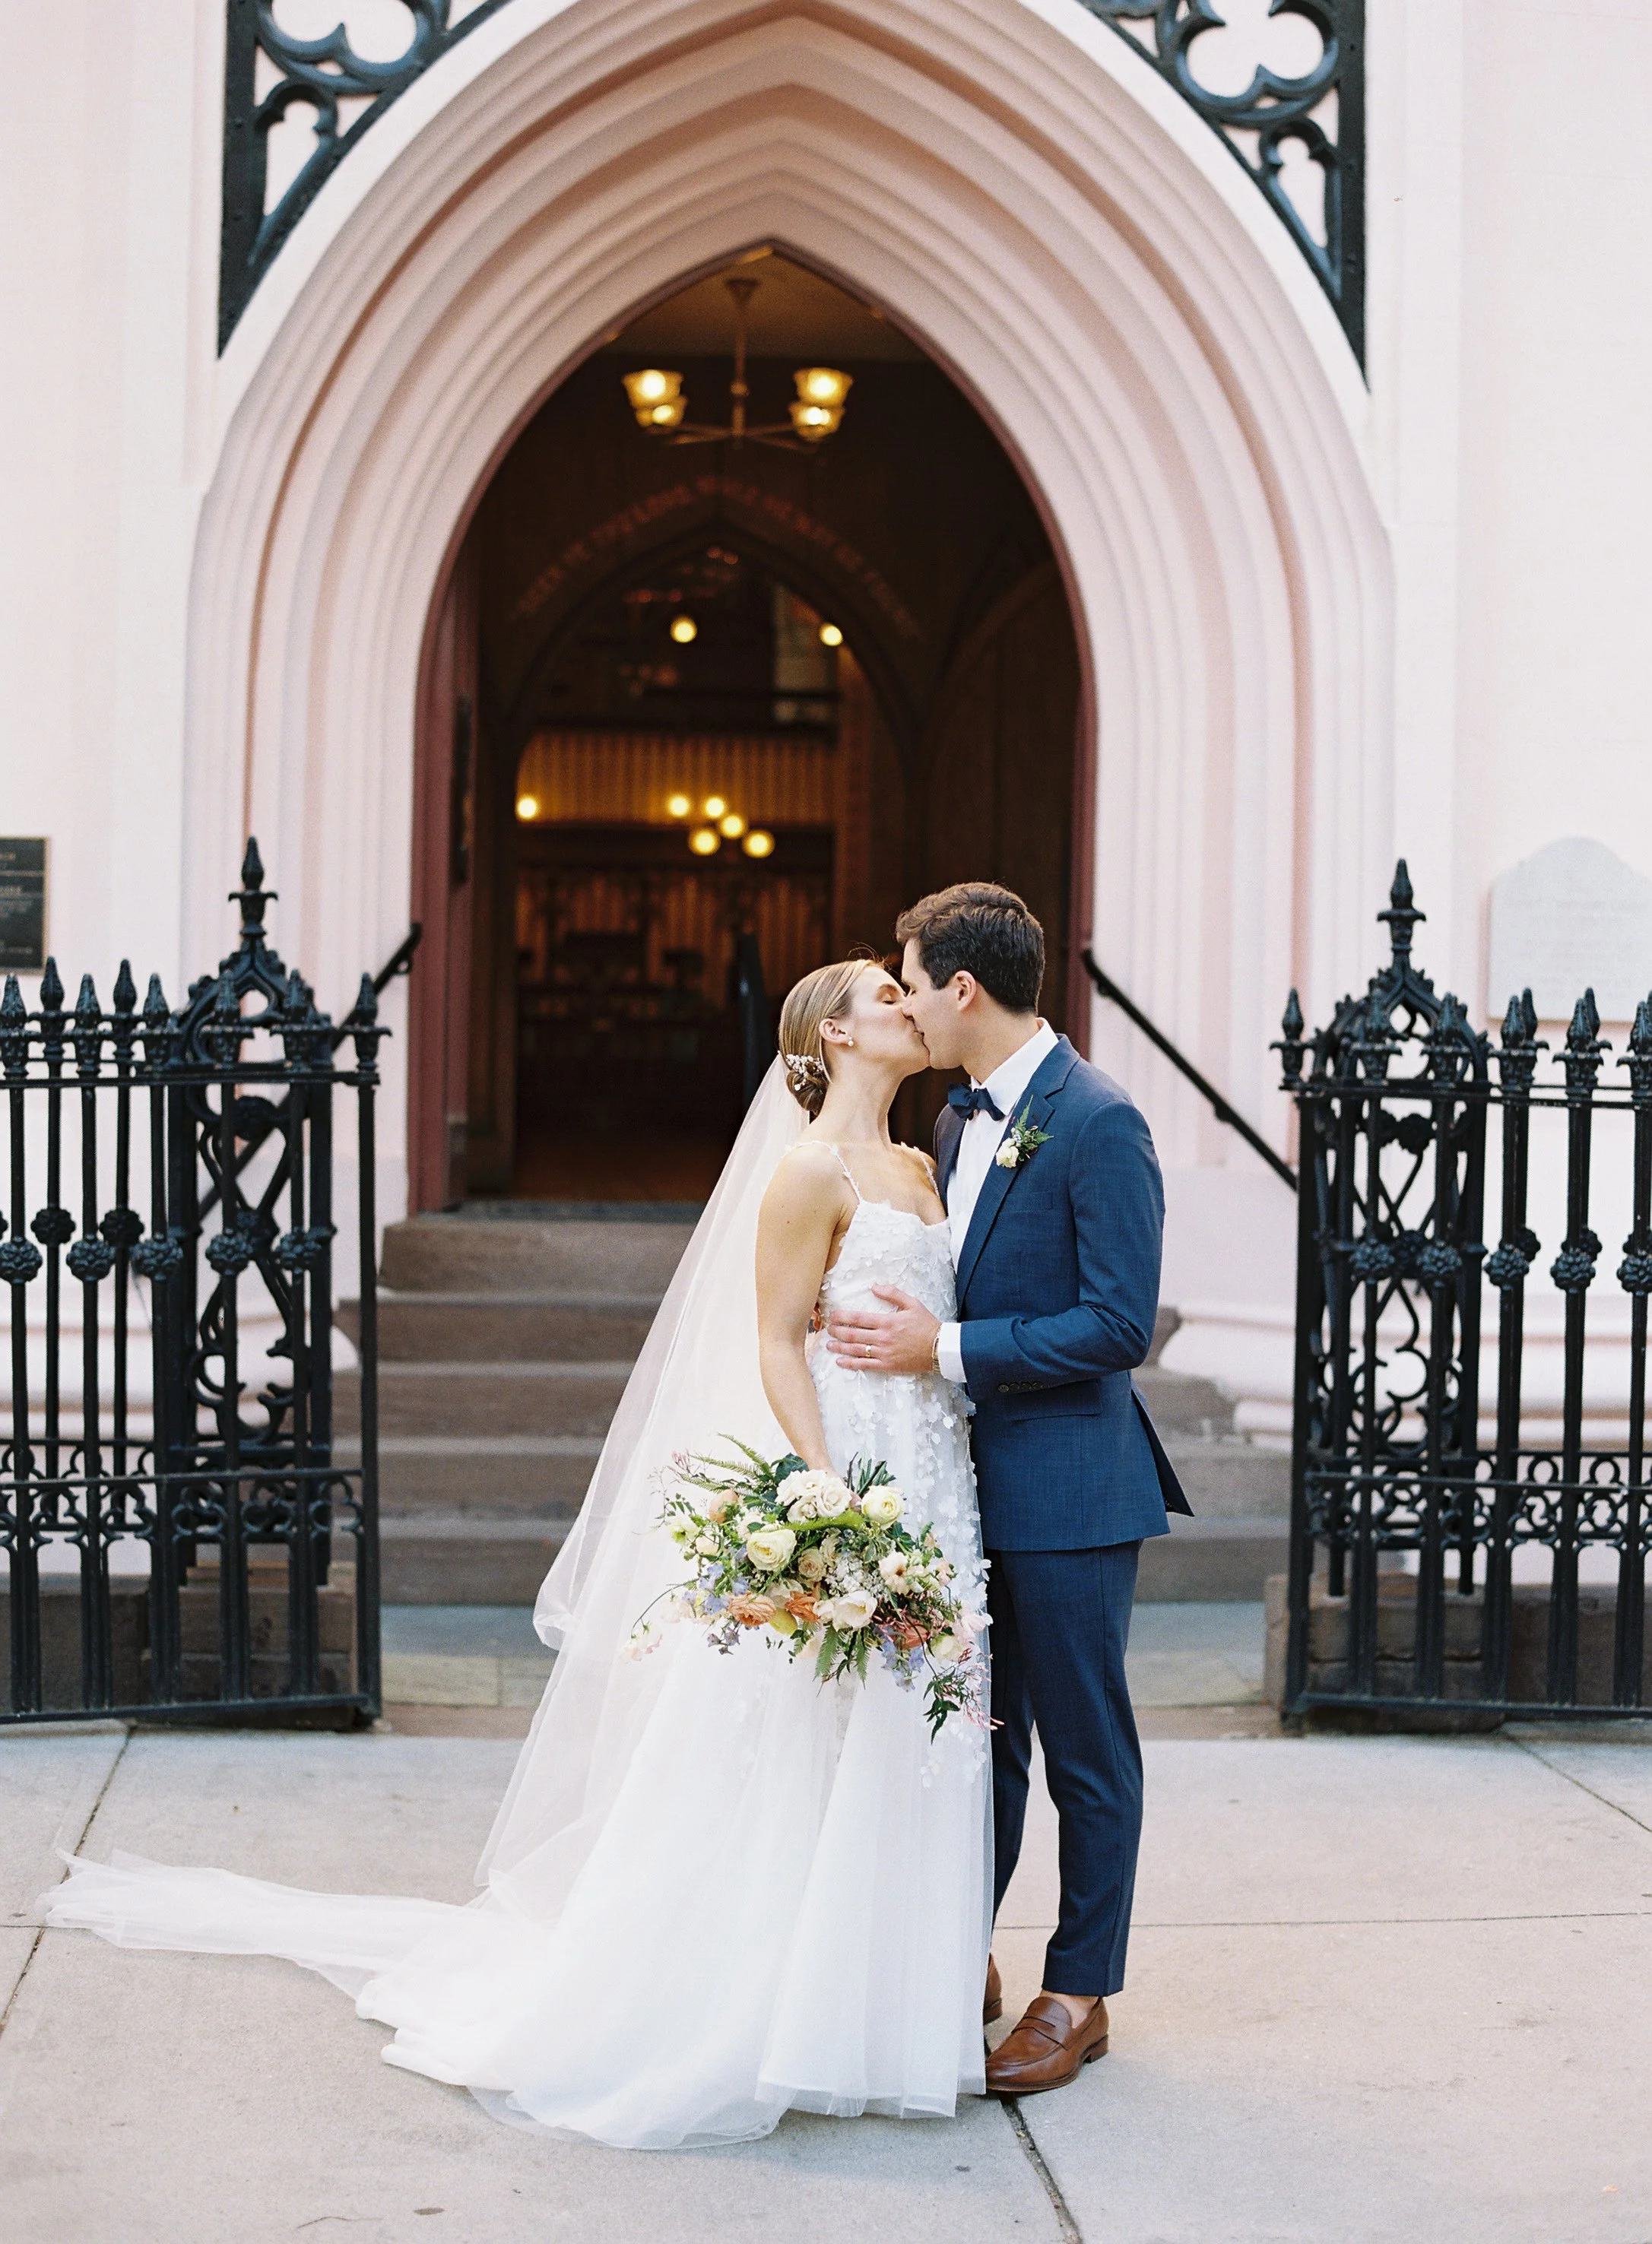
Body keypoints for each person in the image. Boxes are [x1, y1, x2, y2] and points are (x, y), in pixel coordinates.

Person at [38, 959, 990, 2151]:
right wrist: (825, 1491)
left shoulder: (924, 1164)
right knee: (792, 1733)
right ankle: (743, 2004)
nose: (911, 1003)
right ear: (836, 1034)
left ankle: (870, 2005)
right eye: (884, 993)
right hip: (853, 1471)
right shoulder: (807, 1172)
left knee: (903, 1731)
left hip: (935, 1472)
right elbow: (775, 1338)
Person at [826, 883, 1190, 2097]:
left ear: (962, 991)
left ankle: (1079, 1991)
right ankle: (954, 1952)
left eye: (914, 981)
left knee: (1086, 1748)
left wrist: (943, 1350)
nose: (908, 1003)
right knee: (979, 1741)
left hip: (1077, 1492)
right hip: (964, 1492)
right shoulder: (949, 1126)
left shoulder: (1099, 1122)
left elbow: (1117, 1322)